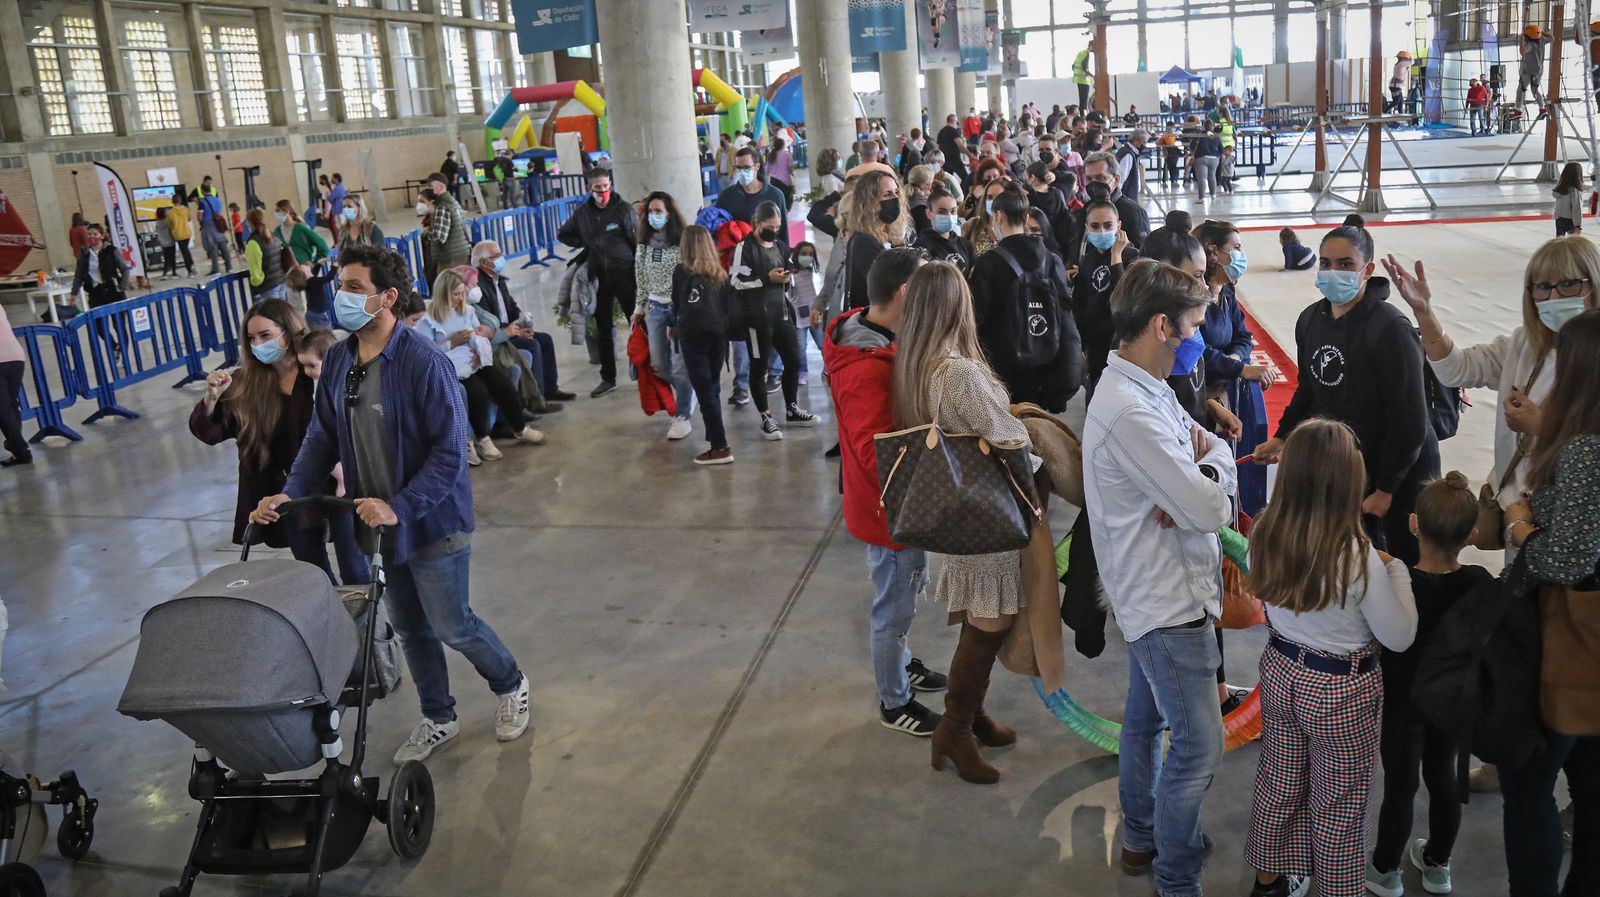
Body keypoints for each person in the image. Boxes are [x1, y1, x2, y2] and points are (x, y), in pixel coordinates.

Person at [253, 243, 531, 765]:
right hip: (380, 527)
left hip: (432, 521)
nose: (342, 297)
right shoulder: (338, 361)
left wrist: (400, 505)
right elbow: (322, 437)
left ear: (388, 298)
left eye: (355, 288)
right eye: (341, 286)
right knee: (409, 627)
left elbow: (451, 452)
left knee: (453, 625)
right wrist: (290, 493)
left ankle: (511, 683)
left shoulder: (424, 363)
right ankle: (438, 717)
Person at [1082, 259, 1237, 885]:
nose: (1199, 339)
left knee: (1145, 723)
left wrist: (1209, 465)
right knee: (1200, 746)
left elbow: (1207, 456)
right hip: (1167, 605)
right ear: (1160, 325)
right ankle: (1176, 876)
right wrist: (1211, 477)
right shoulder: (1131, 410)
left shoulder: (1148, 389)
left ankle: (1144, 839)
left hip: (1157, 591)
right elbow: (1205, 508)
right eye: (1194, 326)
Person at [1243, 419, 1417, 897]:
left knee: (1278, 779)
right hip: (1341, 690)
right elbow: (1399, 636)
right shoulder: (1358, 556)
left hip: (1280, 671)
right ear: (1348, 482)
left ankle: (1268, 879)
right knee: (1338, 804)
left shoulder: (1265, 531)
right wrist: (1397, 569)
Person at [889, 261, 1037, 783]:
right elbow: (1007, 437)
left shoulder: (919, 364)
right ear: (959, 306)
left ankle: (968, 715)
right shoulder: (959, 372)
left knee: (980, 620)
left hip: (959, 516)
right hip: (986, 518)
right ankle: (953, 729)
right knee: (988, 626)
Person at [1384, 236, 1598, 562]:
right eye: (1542, 287)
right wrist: (1424, 312)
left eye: (1568, 285)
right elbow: (1456, 369)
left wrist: (1542, 425)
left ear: (1593, 284)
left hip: (1578, 522)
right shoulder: (1525, 344)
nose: (1553, 297)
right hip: (1518, 515)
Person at [1255, 225, 1439, 566]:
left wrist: (1387, 489)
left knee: (1409, 565)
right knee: (1357, 565)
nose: (1332, 272)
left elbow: (1411, 419)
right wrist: (1281, 437)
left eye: (1344, 264)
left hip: (1403, 466)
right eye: (1325, 263)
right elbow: (1309, 387)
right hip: (1351, 465)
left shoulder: (1390, 329)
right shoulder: (1310, 320)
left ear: (1367, 270)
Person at [825, 246, 952, 737]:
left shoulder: (879, 335)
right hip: (889, 512)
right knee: (893, 606)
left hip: (903, 508)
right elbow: (875, 455)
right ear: (904, 295)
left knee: (908, 589)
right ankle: (893, 698)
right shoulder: (864, 366)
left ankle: (901, 660)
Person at [1497, 309, 1600, 897]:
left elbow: (1566, 561)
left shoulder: (1586, 450)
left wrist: (1518, 525)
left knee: (1530, 782)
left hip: (1571, 643)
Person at [1364, 472, 1487, 897]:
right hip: (1451, 704)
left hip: (1401, 702)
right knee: (1445, 780)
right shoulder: (1477, 584)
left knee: (1400, 785)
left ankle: (1384, 869)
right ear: (1472, 534)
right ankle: (1438, 864)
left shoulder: (1399, 582)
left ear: (1413, 524)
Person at [190, 298, 368, 586]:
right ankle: (330, 624)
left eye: (265, 336)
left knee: (355, 567)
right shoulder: (248, 383)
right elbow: (211, 430)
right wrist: (212, 397)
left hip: (338, 481)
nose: (258, 344)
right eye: (251, 338)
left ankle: (371, 628)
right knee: (313, 572)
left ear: (288, 332)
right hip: (289, 491)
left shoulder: (316, 368)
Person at [968, 187, 1082, 413]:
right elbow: (1065, 317)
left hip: (1004, 376)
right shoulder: (1052, 261)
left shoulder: (988, 264)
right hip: (1047, 369)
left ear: (998, 217)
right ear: (1026, 218)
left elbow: (976, 321)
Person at [729, 201, 817, 440]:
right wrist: (766, 279)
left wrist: (789, 277)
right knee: (759, 367)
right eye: (770, 227)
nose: (774, 231)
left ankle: (791, 407)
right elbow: (735, 281)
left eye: (778, 227)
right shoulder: (744, 247)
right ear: (756, 223)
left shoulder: (780, 245)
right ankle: (766, 416)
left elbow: (789, 272)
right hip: (756, 318)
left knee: (794, 358)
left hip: (781, 313)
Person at [557, 167, 637, 397]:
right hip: (598, 277)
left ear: (610, 184)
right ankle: (608, 377)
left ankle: (646, 371)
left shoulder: (623, 210)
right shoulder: (583, 213)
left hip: (625, 274)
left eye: (605, 186)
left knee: (637, 324)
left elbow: (636, 243)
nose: (602, 192)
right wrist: (586, 241)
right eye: (597, 188)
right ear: (589, 188)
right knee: (603, 329)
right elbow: (563, 234)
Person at [472, 240, 574, 403]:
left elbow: (511, 306)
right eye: (496, 256)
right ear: (484, 262)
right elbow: (489, 321)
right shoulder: (478, 287)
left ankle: (550, 389)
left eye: (501, 254)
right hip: (499, 336)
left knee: (545, 339)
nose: (501, 259)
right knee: (532, 346)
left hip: (512, 329)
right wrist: (514, 331)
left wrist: (522, 323)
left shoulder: (498, 279)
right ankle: (537, 398)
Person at [631, 191, 695, 441]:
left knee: (680, 366)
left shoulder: (681, 242)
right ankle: (687, 392)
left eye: (659, 211)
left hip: (678, 310)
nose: (654, 216)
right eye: (650, 211)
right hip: (655, 310)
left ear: (669, 214)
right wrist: (638, 310)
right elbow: (641, 279)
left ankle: (682, 416)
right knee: (659, 365)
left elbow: (690, 277)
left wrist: (683, 311)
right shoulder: (644, 244)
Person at [670, 225, 734, 466]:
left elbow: (676, 306)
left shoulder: (681, 271)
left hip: (693, 336)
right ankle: (716, 439)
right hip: (719, 335)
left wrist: (671, 326)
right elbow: (727, 308)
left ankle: (720, 446)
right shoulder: (720, 273)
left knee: (704, 389)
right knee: (713, 387)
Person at [1070, 199, 1135, 389]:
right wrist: (1081, 347)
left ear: (1119, 226)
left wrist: (1116, 258)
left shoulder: (1131, 257)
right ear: (1087, 228)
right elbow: (1080, 305)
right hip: (1095, 343)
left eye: (1108, 225)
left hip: (1121, 342)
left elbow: (1126, 299)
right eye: (1095, 226)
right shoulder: (1088, 260)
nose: (1102, 231)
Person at [844, 170, 911, 312]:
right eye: (887, 194)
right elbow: (888, 288)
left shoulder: (888, 237)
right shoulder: (864, 243)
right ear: (869, 201)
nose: (896, 199)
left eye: (897, 193)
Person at [1080, 151, 1150, 249]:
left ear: (1116, 180)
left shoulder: (1133, 212)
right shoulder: (1085, 210)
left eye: (1100, 178)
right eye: (1089, 179)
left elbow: (1145, 254)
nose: (1094, 184)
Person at [716, 146, 789, 230]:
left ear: (757, 167)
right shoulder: (726, 196)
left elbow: (783, 233)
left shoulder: (775, 195)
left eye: (746, 167)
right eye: (738, 168)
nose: (742, 172)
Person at [914, 187, 973, 274]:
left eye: (953, 211)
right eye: (942, 212)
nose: (949, 216)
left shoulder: (965, 245)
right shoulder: (922, 246)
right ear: (929, 213)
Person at [70, 224, 129, 311]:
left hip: (113, 290)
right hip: (95, 292)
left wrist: (122, 287)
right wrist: (74, 293)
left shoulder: (111, 250)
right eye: (89, 234)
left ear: (102, 236)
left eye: (95, 234)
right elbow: (79, 274)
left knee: (119, 321)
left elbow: (125, 268)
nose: (92, 236)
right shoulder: (84, 253)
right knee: (98, 322)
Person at [422, 173, 472, 273]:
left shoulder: (442, 207)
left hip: (450, 259)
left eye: (431, 186)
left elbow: (439, 236)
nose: (429, 189)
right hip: (461, 252)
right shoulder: (453, 201)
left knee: (448, 287)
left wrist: (425, 234)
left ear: (440, 187)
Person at [0, 309, 29, 468]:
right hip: (16, 357)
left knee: (4, 411)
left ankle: (21, 451)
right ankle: (18, 451)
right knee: (10, 407)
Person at [242, 207, 289, 302]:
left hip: (267, 287)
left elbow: (256, 275)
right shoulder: (272, 235)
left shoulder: (253, 242)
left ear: (250, 223)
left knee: (270, 315)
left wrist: (255, 283)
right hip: (280, 281)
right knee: (281, 313)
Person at [273, 200, 330, 266]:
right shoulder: (277, 231)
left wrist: (315, 262)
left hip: (304, 268)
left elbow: (322, 244)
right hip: (287, 270)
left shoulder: (301, 228)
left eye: (278, 211)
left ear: (286, 211)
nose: (276, 214)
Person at [197, 185, 232, 274]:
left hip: (208, 225)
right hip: (218, 224)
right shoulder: (218, 200)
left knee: (213, 247)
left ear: (202, 191)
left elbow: (200, 216)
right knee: (223, 245)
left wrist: (201, 223)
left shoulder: (202, 202)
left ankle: (216, 269)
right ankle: (229, 267)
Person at [1518, 25, 1552, 107]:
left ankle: (1518, 110)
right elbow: (1552, 37)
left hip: (1530, 71)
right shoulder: (1542, 40)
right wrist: (1541, 32)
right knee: (1534, 90)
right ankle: (1542, 108)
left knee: (1520, 90)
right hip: (1539, 71)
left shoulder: (1530, 45)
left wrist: (1521, 39)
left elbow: (1522, 51)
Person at [937, 113, 971, 187]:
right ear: (954, 121)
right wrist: (970, 155)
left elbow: (938, 147)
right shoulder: (953, 131)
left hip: (944, 159)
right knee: (965, 177)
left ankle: (946, 194)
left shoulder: (941, 132)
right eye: (957, 122)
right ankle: (962, 194)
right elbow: (960, 145)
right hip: (954, 158)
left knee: (946, 179)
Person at [1554, 160, 1585, 236]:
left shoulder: (1560, 188)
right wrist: (1577, 225)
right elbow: (1577, 208)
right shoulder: (1575, 190)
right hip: (1570, 219)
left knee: (1559, 239)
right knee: (1573, 241)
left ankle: (1559, 248)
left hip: (1559, 217)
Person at [166, 198, 195, 276]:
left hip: (178, 234)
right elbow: (189, 219)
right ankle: (192, 265)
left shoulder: (170, 213)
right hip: (187, 232)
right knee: (186, 250)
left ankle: (190, 270)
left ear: (172, 202)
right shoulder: (185, 209)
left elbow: (169, 224)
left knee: (184, 252)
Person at [1193, 126, 1222, 200]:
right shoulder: (1216, 136)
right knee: (1212, 176)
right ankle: (1213, 195)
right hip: (1214, 159)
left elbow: (1192, 146)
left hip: (1201, 158)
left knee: (1202, 178)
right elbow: (1221, 149)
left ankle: (1201, 197)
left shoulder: (1199, 136)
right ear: (1212, 126)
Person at [154, 207, 177, 278]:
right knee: (172, 257)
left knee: (166, 258)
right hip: (170, 241)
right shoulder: (167, 221)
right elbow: (171, 230)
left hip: (163, 242)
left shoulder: (157, 223)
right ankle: (174, 272)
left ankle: (165, 273)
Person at [326, 174, 348, 242]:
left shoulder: (337, 188)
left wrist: (327, 196)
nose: (331, 180)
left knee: (342, 226)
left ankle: (344, 240)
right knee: (343, 225)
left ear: (336, 179)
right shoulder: (342, 187)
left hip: (339, 210)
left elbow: (331, 198)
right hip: (342, 209)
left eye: (332, 178)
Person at [1072, 43, 1094, 109]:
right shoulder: (1086, 54)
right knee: (1084, 102)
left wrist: (1078, 72)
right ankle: (1083, 116)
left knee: (1081, 101)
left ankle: (1082, 114)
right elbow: (1085, 68)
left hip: (1078, 80)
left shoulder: (1080, 53)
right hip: (1084, 80)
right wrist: (1093, 76)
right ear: (1091, 46)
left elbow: (1073, 66)